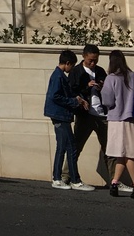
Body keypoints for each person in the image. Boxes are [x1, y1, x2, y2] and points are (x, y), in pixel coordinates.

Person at [65, 44, 116, 186]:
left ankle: (114, 180)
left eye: (95, 60)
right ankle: (66, 175)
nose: (93, 63)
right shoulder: (76, 72)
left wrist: (101, 87)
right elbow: (72, 92)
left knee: (109, 148)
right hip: (85, 115)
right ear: (84, 57)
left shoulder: (100, 71)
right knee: (76, 146)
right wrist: (86, 87)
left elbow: (109, 90)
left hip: (101, 114)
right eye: (90, 60)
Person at [100, 49, 134, 199]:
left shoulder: (111, 78)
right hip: (133, 120)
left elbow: (107, 101)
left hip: (117, 120)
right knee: (123, 155)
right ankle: (114, 183)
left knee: (125, 155)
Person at [45, 49, 95, 191]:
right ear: (67, 63)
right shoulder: (58, 77)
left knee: (63, 147)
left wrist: (77, 99)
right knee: (71, 147)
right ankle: (73, 180)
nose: (72, 69)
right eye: (71, 66)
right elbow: (55, 96)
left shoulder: (58, 76)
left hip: (61, 115)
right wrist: (74, 101)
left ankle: (58, 178)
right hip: (60, 115)